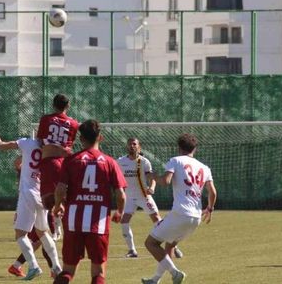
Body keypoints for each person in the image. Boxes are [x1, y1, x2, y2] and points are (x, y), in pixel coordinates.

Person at [52, 119, 127, 284]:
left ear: (81, 139)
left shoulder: (70, 161)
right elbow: (120, 193)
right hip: (98, 223)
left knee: (68, 270)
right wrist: (120, 211)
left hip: (73, 221)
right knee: (98, 272)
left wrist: (57, 206)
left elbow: (60, 189)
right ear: (100, 137)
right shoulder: (109, 162)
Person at [141, 133, 217, 284]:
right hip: (195, 217)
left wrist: (152, 177)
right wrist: (210, 208)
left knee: (151, 243)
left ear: (179, 148)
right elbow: (213, 192)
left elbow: (166, 181)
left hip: (180, 213)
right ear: (195, 149)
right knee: (169, 245)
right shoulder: (204, 167)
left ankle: (175, 273)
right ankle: (155, 280)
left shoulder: (175, 161)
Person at [0, 136, 64, 280]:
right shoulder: (52, 148)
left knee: (20, 234)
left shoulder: (28, 142)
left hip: (27, 192)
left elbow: (5, 146)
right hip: (42, 194)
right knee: (43, 233)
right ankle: (56, 266)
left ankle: (33, 266)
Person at [117, 137, 182, 259]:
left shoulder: (144, 162)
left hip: (143, 196)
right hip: (129, 197)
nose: (132, 146)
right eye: (130, 144)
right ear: (127, 146)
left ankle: (174, 246)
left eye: (134, 144)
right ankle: (132, 250)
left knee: (157, 220)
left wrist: (152, 187)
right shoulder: (120, 161)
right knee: (124, 222)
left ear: (139, 147)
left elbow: (152, 177)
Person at [36, 94, 80, 236]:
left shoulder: (46, 119)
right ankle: (68, 228)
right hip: (66, 163)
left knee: (47, 201)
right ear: (68, 106)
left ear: (53, 105)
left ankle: (53, 231)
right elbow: (70, 145)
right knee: (64, 198)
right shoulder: (74, 123)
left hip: (49, 162)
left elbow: (40, 140)